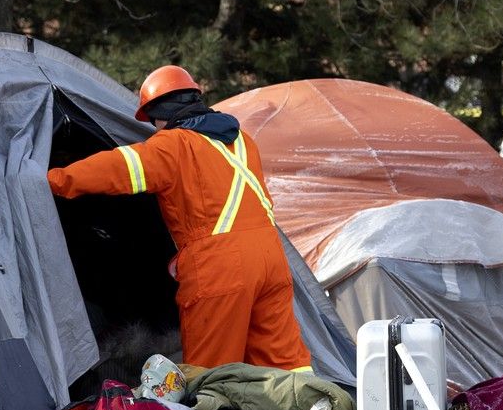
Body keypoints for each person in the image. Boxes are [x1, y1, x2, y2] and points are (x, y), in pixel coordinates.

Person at [47, 65, 311, 372]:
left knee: (210, 371)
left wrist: (55, 180)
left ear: (161, 113)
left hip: (220, 265)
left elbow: (118, 168)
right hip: (271, 258)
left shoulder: (173, 144)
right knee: (285, 361)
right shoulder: (242, 142)